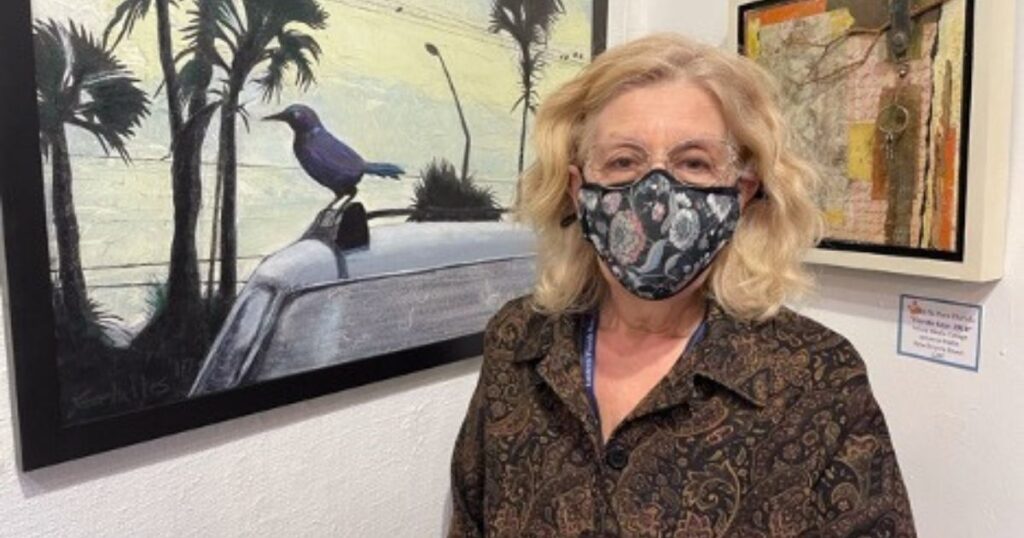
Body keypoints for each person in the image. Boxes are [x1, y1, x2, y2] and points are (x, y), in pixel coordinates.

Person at [448, 33, 915, 537]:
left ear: (740, 193)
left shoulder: (817, 378)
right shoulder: (519, 339)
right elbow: (472, 517)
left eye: (693, 163)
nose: (657, 195)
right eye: (624, 161)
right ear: (578, 191)